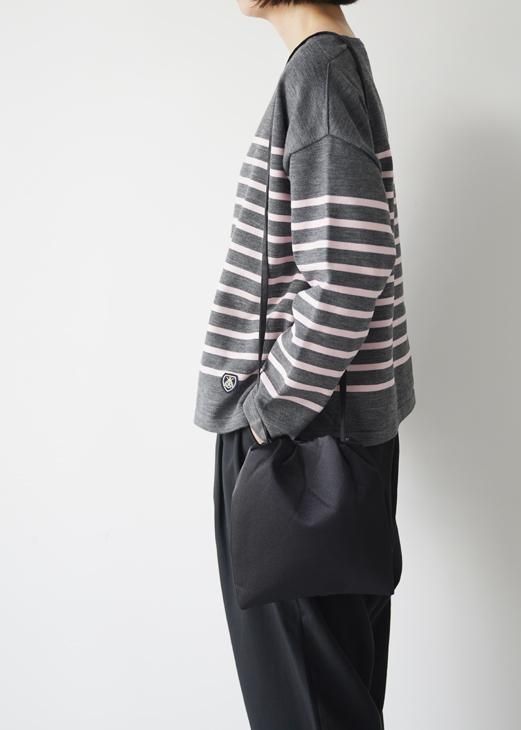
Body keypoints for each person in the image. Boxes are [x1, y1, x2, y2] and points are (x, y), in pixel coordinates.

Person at [193, 1, 416, 727]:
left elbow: (350, 269)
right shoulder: (330, 66)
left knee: (306, 711)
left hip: (298, 448)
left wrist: (266, 415)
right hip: (320, 442)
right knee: (332, 704)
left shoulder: (318, 72)